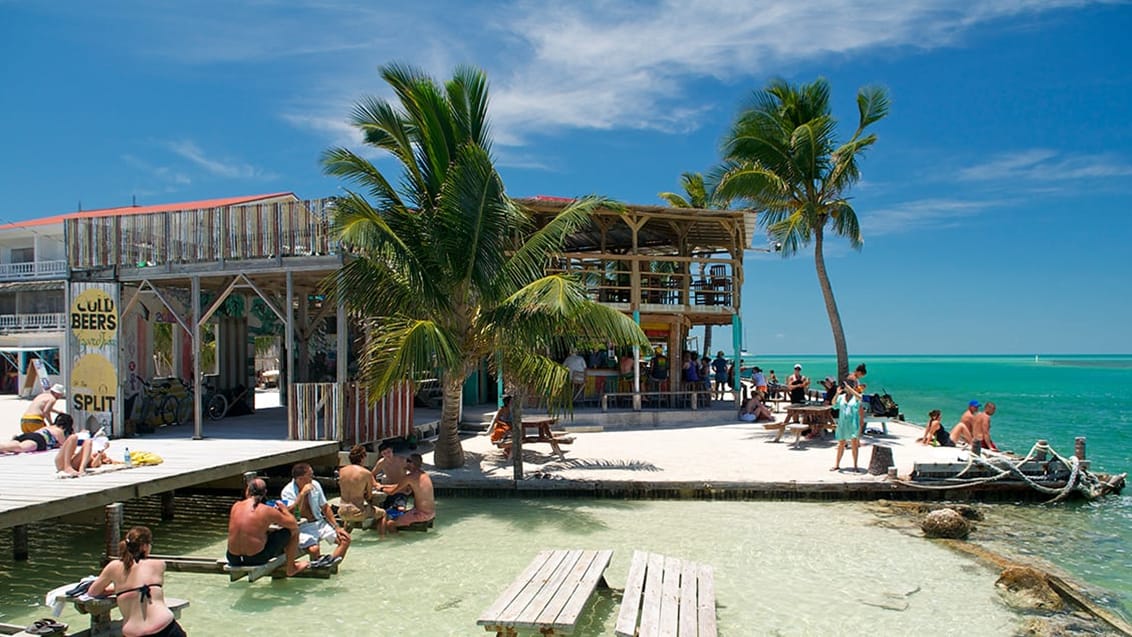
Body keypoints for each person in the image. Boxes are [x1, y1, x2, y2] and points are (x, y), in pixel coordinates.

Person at [89, 526, 186, 637]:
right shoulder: (158, 564)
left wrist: (118, 590)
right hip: (164, 627)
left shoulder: (113, 567)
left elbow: (93, 592)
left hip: (134, 633)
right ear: (145, 546)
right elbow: (140, 584)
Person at [226, 478, 308, 576]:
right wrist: (284, 509)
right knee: (294, 531)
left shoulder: (236, 506)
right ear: (265, 492)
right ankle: (291, 568)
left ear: (247, 491)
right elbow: (293, 524)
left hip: (233, 558)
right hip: (255, 558)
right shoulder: (267, 510)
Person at [282, 463, 351, 566]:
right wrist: (301, 495)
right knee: (314, 550)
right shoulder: (287, 492)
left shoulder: (315, 484)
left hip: (319, 522)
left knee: (345, 539)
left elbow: (325, 507)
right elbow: (292, 513)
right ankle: (321, 566)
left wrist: (336, 527)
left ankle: (329, 566)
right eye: (310, 475)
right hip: (303, 527)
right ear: (300, 479)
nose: (312, 478)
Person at [379, 453, 435, 533]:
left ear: (412, 464)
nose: (405, 462)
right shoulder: (424, 475)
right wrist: (382, 486)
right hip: (430, 512)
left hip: (421, 513)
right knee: (398, 514)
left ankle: (398, 541)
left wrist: (380, 489)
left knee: (390, 524)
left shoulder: (410, 477)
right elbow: (400, 487)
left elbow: (392, 492)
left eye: (407, 460)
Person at [338, 445, 381, 531]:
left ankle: (344, 538)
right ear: (362, 457)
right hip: (357, 512)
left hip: (342, 511)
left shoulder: (341, 471)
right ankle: (383, 538)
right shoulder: (366, 473)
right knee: (382, 513)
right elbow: (369, 496)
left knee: (349, 519)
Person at [831, 384, 864, 472]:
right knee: (841, 443)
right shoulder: (841, 397)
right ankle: (837, 465)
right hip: (842, 423)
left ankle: (855, 465)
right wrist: (837, 394)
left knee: (854, 444)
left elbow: (859, 397)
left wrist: (850, 388)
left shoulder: (856, 397)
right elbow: (834, 404)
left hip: (853, 424)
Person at [1, 416, 70, 454]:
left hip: (30, 434)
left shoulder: (47, 427)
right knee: (20, 447)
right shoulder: (59, 431)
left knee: (11, 446)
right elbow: (63, 445)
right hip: (39, 439)